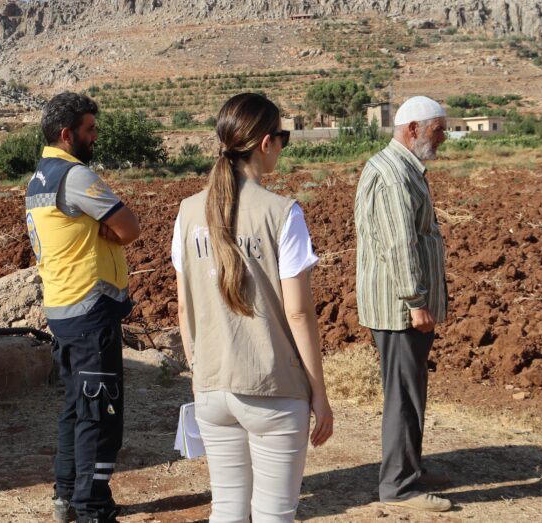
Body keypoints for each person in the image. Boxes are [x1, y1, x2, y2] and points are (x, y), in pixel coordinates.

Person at [173, 93, 333, 523]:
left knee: (227, 510)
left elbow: (185, 309)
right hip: (273, 389)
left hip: (212, 388)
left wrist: (199, 373)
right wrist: (318, 393)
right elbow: (298, 314)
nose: (282, 145)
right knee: (273, 514)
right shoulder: (283, 214)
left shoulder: (187, 213)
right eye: (283, 137)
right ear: (265, 143)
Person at [26, 92, 141, 523]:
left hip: (62, 307)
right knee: (100, 412)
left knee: (77, 406)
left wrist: (102, 227)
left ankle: (66, 497)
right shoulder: (74, 176)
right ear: (66, 133)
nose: (95, 136)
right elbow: (129, 226)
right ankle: (92, 507)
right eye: (89, 129)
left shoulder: (39, 178)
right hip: (91, 310)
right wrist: (107, 229)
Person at [354, 95, 452, 513]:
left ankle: (409, 468)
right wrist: (416, 301)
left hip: (401, 304)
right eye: (438, 129)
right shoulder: (395, 175)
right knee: (403, 396)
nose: (444, 137)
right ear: (413, 129)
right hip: (400, 308)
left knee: (410, 390)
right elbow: (399, 244)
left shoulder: (400, 167)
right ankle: (398, 487)